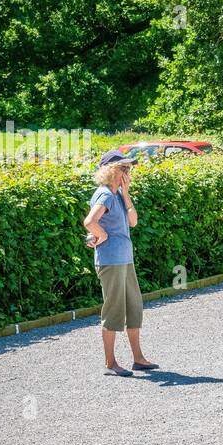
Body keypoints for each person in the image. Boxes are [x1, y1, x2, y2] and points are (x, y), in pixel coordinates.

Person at [83, 158, 158, 376]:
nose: (127, 171)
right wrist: (102, 235)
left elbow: (133, 221)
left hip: (124, 259)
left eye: (128, 167)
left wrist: (126, 193)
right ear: (108, 170)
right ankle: (110, 363)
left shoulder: (116, 194)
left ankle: (138, 359)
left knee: (134, 307)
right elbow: (90, 222)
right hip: (111, 261)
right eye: (122, 167)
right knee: (114, 310)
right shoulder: (105, 194)